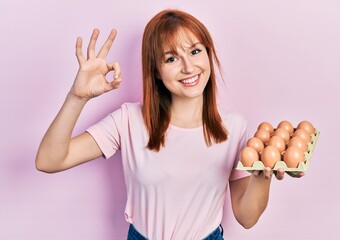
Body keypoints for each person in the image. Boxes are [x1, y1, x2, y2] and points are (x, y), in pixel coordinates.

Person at [36, 9, 303, 240]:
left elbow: (246, 218)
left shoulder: (234, 127)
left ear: (208, 55)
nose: (189, 67)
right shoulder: (128, 120)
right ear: (156, 70)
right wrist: (77, 97)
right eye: (172, 58)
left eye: (196, 51)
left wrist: (262, 176)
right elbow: (49, 161)